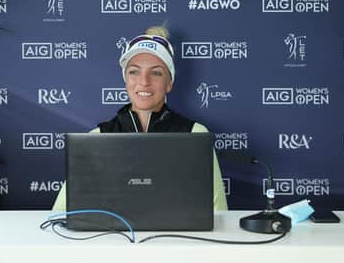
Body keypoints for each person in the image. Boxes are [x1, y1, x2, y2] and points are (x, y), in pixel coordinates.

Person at [52, 25, 228, 211]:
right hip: (112, 240)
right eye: (134, 71)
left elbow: (218, 213)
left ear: (169, 83)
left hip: (176, 240)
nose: (144, 81)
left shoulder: (195, 135)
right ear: (126, 79)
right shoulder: (98, 136)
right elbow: (59, 214)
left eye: (156, 72)